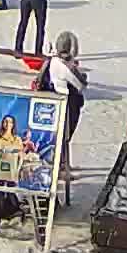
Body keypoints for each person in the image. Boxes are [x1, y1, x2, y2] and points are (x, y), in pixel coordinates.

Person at [38, 30, 87, 196]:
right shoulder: (65, 67)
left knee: (62, 136)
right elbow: (80, 84)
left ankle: (63, 164)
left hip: (58, 101)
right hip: (68, 103)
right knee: (65, 136)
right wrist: (79, 73)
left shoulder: (52, 61)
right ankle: (60, 167)